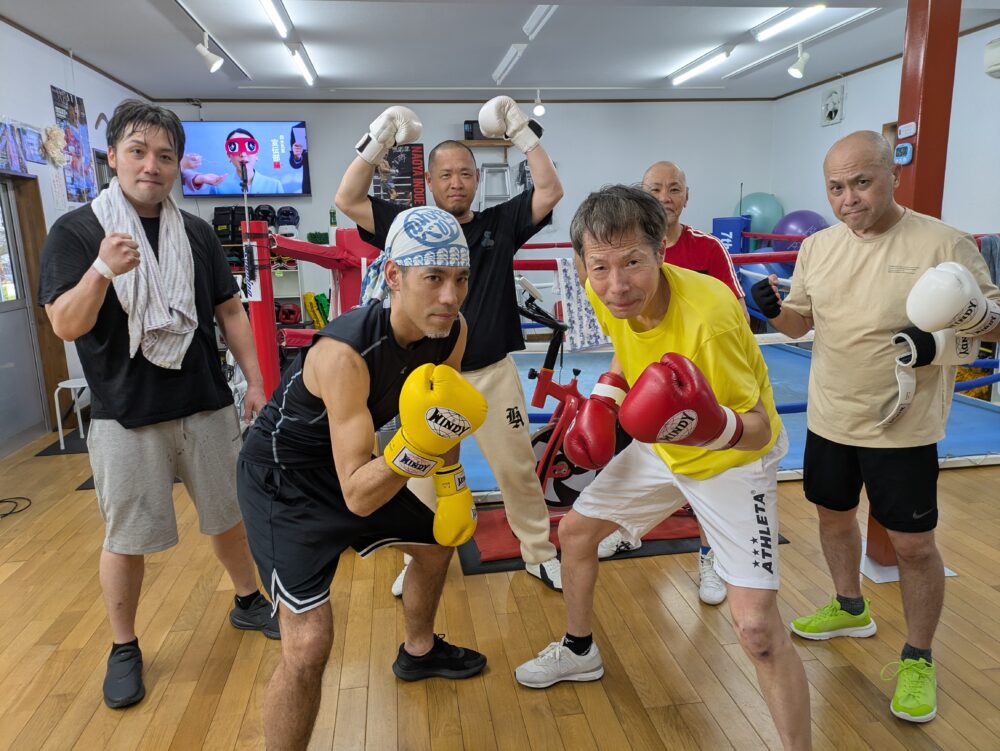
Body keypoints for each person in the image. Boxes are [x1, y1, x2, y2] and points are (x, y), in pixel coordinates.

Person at [516, 185, 811, 751]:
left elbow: (758, 429)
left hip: (732, 459)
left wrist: (706, 426)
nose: (617, 284)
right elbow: (625, 350)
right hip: (663, 444)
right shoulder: (603, 289)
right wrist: (606, 397)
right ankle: (580, 650)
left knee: (756, 630)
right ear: (583, 264)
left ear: (660, 253)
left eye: (633, 263)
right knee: (575, 534)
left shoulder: (712, 318)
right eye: (600, 267)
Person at [751, 130, 1000, 724]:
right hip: (831, 416)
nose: (849, 199)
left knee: (913, 546)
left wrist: (952, 328)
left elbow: (994, 325)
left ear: (893, 176)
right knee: (833, 518)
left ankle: (918, 657)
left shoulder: (943, 243)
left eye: (861, 182)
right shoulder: (817, 246)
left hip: (903, 426)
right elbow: (800, 324)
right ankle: (849, 607)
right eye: (836, 187)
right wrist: (773, 310)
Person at [38, 100, 278, 710]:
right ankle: (124, 646)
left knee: (229, 516)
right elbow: (65, 324)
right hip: (124, 413)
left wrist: (255, 381)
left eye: (165, 156)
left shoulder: (194, 232)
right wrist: (101, 269)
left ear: (178, 165)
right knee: (126, 538)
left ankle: (248, 600)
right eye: (138, 152)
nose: (152, 165)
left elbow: (229, 310)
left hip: (204, 403)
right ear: (113, 156)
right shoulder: (77, 232)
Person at [238, 206, 488, 748]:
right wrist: (417, 447)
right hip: (284, 481)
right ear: (394, 276)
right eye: (434, 278)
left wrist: (451, 482)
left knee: (436, 545)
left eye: (461, 278)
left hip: (355, 464)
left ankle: (419, 651)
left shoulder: (452, 330)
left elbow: (442, 412)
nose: (451, 296)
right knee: (308, 647)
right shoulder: (345, 353)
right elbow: (357, 494)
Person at [335, 97, 566, 592]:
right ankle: (416, 561)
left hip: (491, 372)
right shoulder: (409, 228)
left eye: (464, 173)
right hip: (427, 376)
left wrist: (521, 131)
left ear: (476, 180)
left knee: (516, 468)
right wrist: (379, 137)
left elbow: (550, 190)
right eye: (445, 174)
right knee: (419, 475)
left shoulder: (498, 224)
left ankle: (539, 550)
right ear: (429, 181)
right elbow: (348, 199)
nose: (456, 182)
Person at [593, 161, 749, 606]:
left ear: (686, 196)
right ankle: (628, 531)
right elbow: (622, 334)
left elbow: (735, 314)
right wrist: (607, 393)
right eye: (655, 189)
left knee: (708, 473)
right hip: (644, 385)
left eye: (674, 188)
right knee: (631, 463)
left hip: (700, 387)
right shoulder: (618, 256)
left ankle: (709, 557)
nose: (665, 197)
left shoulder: (707, 249)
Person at [205, 128, 284, 195]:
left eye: (249, 147)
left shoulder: (275, 186)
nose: (242, 154)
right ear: (229, 156)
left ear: (256, 155)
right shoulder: (218, 187)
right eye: (234, 147)